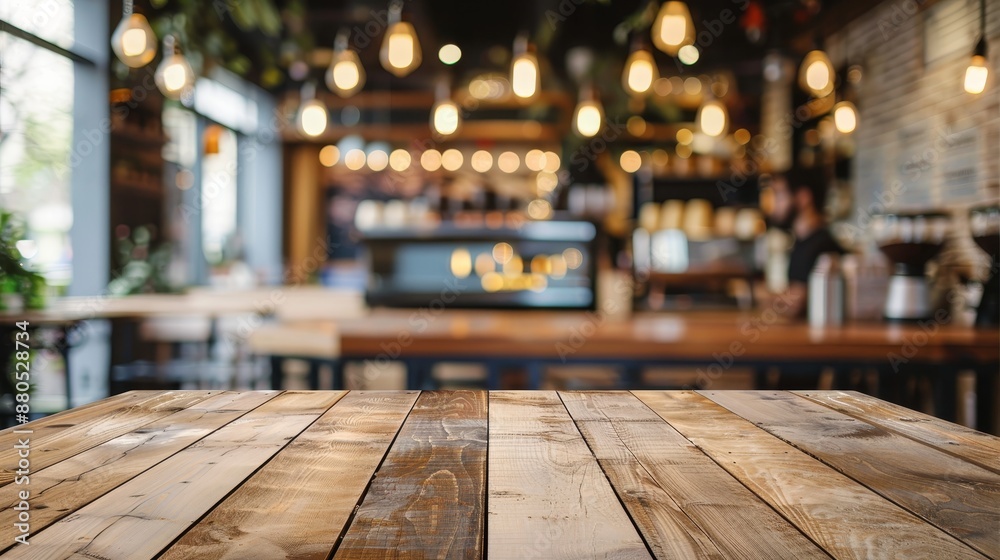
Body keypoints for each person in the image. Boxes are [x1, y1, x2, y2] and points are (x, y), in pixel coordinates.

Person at [756, 167, 843, 318]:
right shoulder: (801, 244)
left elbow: (796, 303)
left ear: (803, 197)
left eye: (779, 195)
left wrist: (758, 293)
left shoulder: (824, 247)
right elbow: (791, 294)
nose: (773, 205)